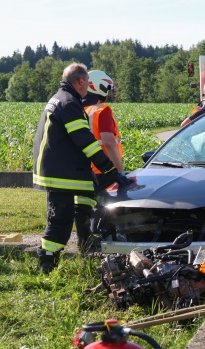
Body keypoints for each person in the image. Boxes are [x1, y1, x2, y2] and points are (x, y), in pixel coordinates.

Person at [32, 63, 132, 273]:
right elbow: (86, 142)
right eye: (86, 82)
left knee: (85, 201)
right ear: (80, 81)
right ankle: (47, 262)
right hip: (61, 174)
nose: (88, 87)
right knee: (61, 219)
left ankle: (85, 242)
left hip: (69, 170)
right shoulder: (69, 103)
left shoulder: (62, 99)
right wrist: (111, 171)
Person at [74, 70, 125, 253]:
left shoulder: (81, 110)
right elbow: (110, 143)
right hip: (104, 169)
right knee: (106, 207)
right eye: (107, 88)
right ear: (99, 87)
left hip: (85, 168)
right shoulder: (102, 111)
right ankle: (103, 242)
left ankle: (87, 242)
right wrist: (120, 171)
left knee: (86, 206)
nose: (108, 93)